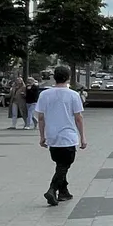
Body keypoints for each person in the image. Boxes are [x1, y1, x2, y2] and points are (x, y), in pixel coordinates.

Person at [35, 67, 87, 206]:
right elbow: (78, 118)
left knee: (60, 164)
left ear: (54, 77)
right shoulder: (73, 95)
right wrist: (82, 137)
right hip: (68, 135)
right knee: (64, 165)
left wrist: (42, 136)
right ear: (68, 77)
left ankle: (64, 192)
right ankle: (52, 189)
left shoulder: (44, 95)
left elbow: (41, 117)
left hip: (52, 136)